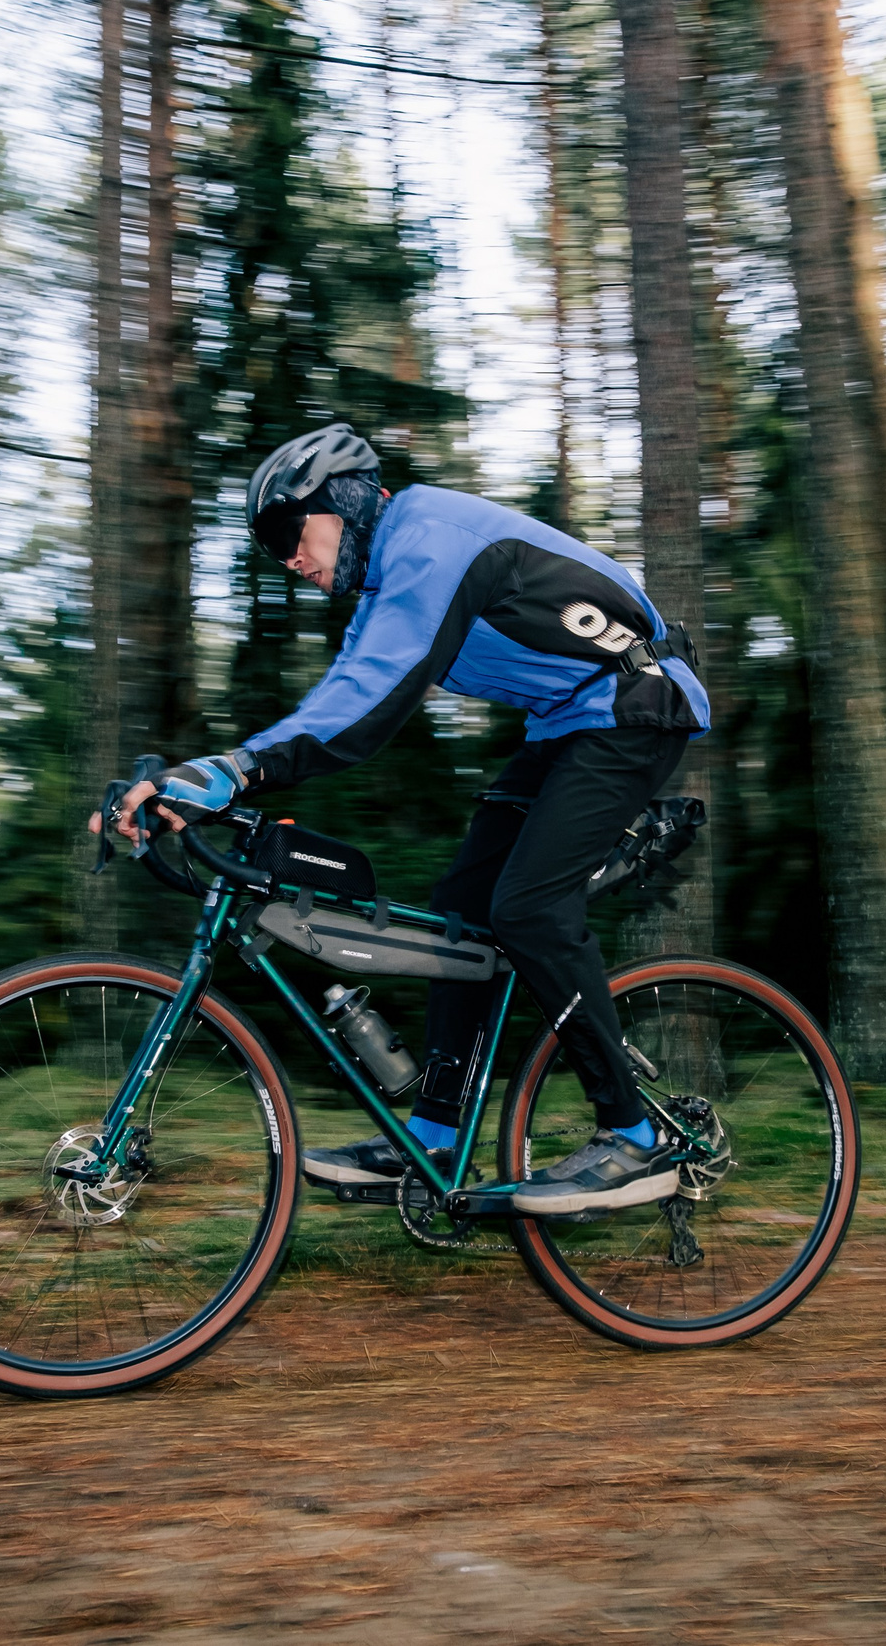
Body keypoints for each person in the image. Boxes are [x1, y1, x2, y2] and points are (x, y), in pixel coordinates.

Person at [98, 423, 709, 1214]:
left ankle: (634, 1138)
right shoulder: (391, 585)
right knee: (463, 915)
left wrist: (228, 771)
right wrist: (217, 775)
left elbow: (365, 706)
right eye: (269, 550)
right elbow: (342, 693)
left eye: (288, 532)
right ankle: (433, 1139)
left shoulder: (429, 540)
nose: (286, 560)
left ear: (344, 502)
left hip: (635, 704)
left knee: (526, 908)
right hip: (567, 724)